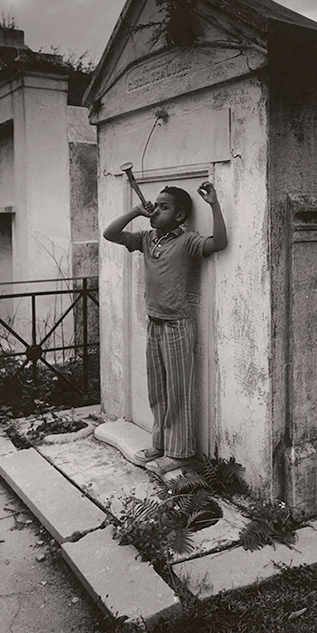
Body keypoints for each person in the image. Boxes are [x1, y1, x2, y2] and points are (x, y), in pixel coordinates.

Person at [103, 181, 227, 474]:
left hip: (177, 326)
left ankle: (181, 453)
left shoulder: (187, 241)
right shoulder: (147, 239)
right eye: (155, 205)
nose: (156, 211)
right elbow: (110, 234)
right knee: (157, 391)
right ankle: (161, 445)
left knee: (178, 391)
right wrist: (136, 210)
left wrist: (214, 204)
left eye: (164, 207)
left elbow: (219, 243)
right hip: (154, 323)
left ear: (180, 216)